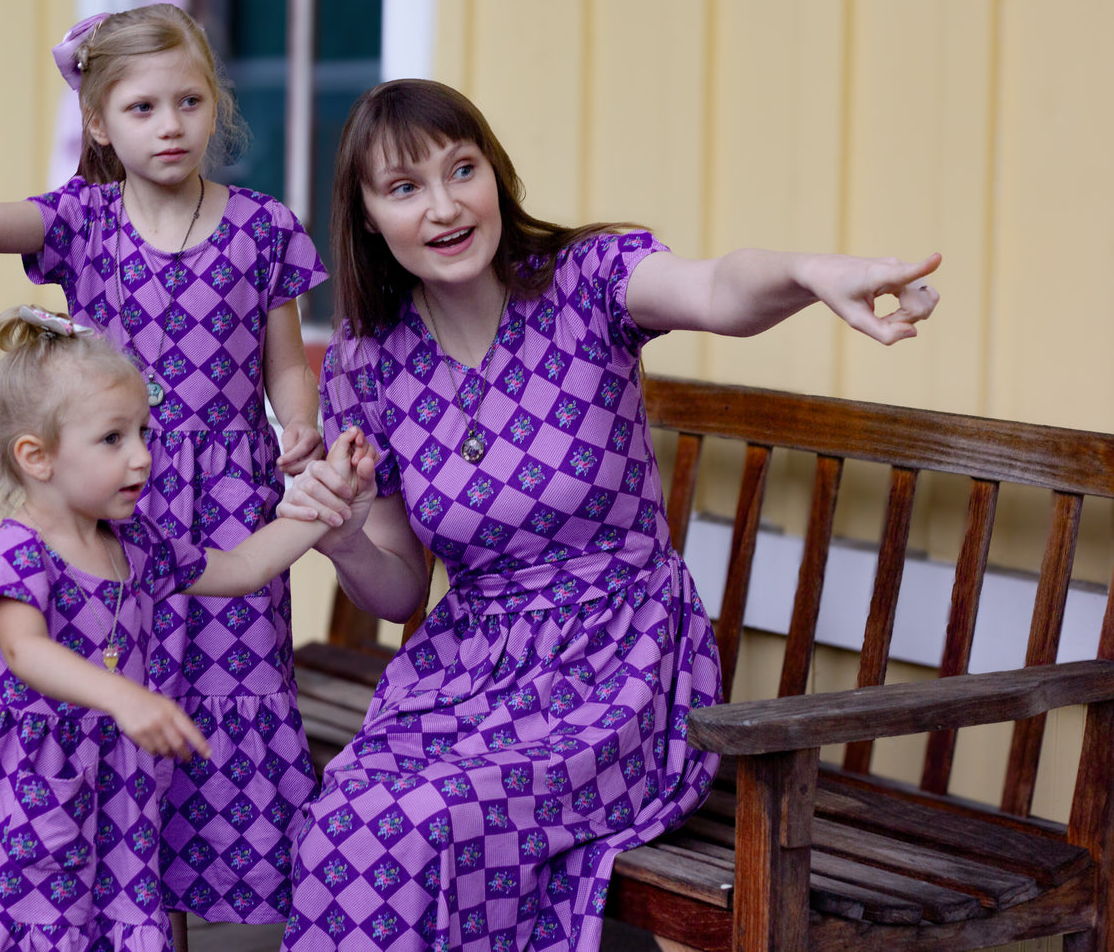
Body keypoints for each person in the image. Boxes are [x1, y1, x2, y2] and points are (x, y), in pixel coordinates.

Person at [273, 79, 941, 952]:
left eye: (460, 169)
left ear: (493, 174)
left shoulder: (585, 283)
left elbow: (716, 291)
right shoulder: (368, 358)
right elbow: (398, 591)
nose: (443, 206)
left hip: (617, 666)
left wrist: (810, 275)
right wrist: (341, 532)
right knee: (342, 824)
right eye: (404, 187)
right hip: (464, 674)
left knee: (423, 821)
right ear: (366, 216)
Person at [0, 4, 329, 942]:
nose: (170, 124)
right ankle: (125, 913)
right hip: (116, 502)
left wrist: (297, 426)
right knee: (121, 692)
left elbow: (286, 359)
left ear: (214, 106)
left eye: (188, 101)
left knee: (222, 706)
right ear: (101, 123)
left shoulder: (261, 227)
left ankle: (176, 913)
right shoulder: (82, 221)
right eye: (142, 107)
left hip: (228, 503)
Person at [0, 305, 369, 950]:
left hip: (118, 782)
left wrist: (324, 503)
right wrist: (125, 696)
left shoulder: (133, 544)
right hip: (30, 789)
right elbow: (23, 650)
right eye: (113, 439)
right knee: (43, 924)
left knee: (123, 914)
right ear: (37, 456)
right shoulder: (18, 551)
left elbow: (242, 567)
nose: (142, 458)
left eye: (143, 433)